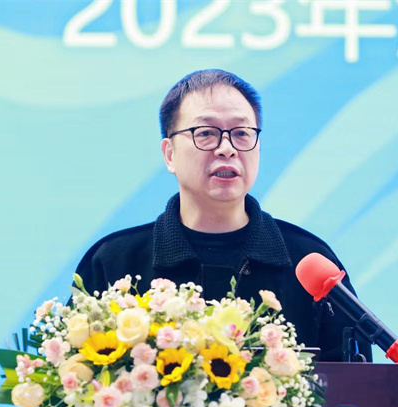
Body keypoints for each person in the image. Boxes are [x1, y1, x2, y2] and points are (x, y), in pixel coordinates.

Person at [74, 69, 371, 362]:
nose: (227, 149)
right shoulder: (115, 263)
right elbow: (69, 377)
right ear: (169, 154)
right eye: (206, 133)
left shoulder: (309, 263)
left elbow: (360, 385)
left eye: (241, 134)